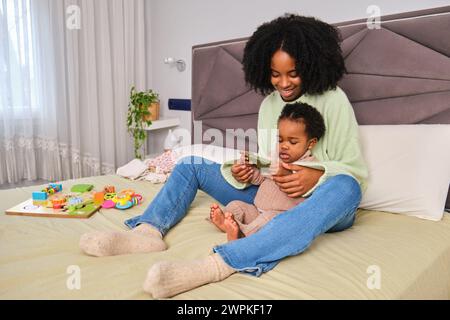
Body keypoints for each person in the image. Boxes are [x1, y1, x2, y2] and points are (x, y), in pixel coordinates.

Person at [79, 13, 368, 299]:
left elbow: (353, 170)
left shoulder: (333, 99)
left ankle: (218, 264)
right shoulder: (269, 105)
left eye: (293, 73)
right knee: (190, 164)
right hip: (275, 193)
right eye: (275, 74)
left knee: (347, 186)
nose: (283, 83)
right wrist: (245, 169)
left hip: (321, 203)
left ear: (311, 64)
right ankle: (148, 232)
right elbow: (271, 160)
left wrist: (316, 174)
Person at [210, 102, 326, 241]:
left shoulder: (310, 166)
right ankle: (225, 221)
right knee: (237, 205)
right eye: (280, 139)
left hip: (280, 216)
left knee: (268, 217)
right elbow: (262, 178)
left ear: (311, 143)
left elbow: (311, 192)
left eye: (293, 142)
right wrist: (250, 171)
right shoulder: (275, 156)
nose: (284, 146)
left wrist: (284, 173)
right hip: (257, 210)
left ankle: (243, 234)